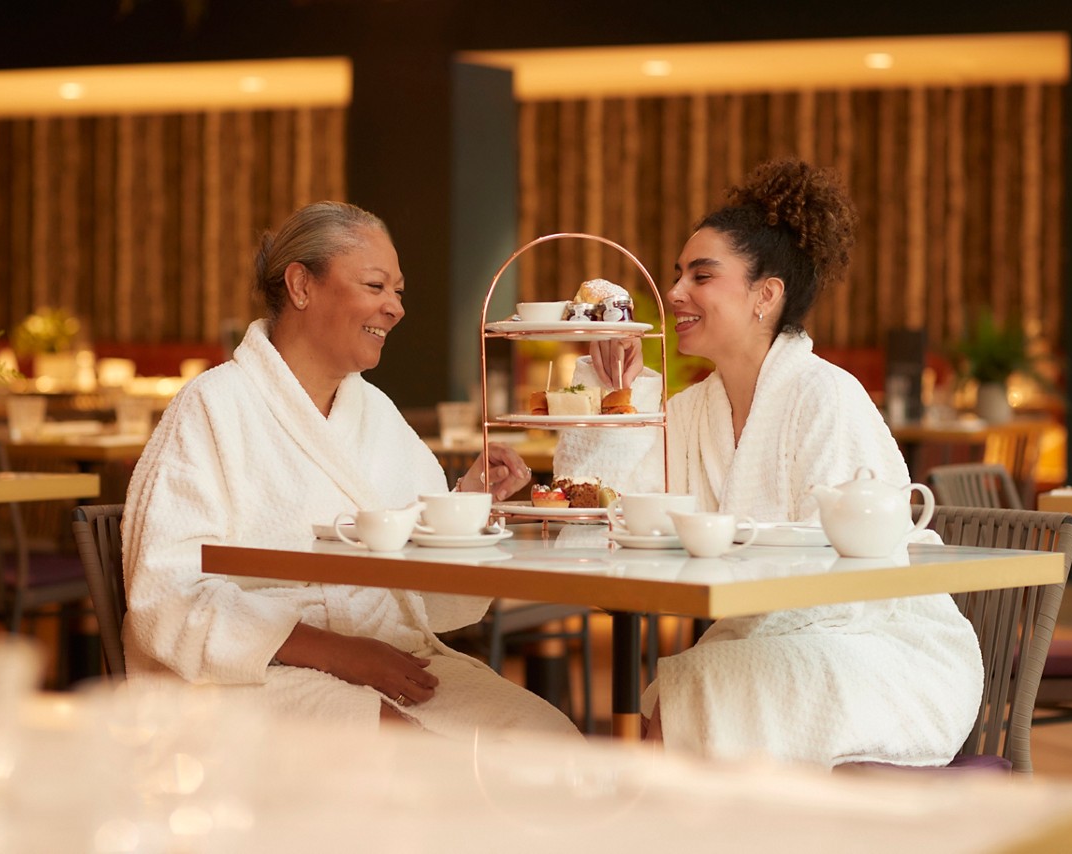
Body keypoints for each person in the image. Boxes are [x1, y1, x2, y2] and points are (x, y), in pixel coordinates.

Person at [562, 158, 983, 767]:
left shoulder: (824, 394)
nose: (675, 292)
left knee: (695, 685)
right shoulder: (693, 409)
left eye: (701, 276)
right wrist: (616, 390)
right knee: (685, 686)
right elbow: (620, 509)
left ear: (766, 295)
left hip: (880, 645)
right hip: (757, 640)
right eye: (678, 274)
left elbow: (853, 579)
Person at [121, 201, 579, 739]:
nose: (396, 309)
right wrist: (338, 654)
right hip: (247, 675)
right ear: (300, 286)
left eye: (399, 292)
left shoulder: (375, 413)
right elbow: (167, 595)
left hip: (384, 657)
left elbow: (428, 589)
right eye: (376, 286)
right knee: (421, 755)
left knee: (546, 738)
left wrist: (467, 502)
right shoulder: (213, 408)